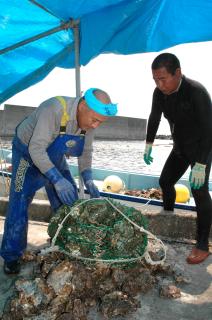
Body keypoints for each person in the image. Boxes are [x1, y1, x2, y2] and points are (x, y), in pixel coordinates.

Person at [1, 88, 118, 274]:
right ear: (83, 106)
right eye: (95, 120)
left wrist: (88, 178)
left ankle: (64, 241)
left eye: (100, 122)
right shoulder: (54, 109)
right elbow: (36, 149)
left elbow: (86, 151)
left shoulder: (89, 123)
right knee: (19, 202)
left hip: (54, 156)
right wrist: (55, 178)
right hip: (27, 154)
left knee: (69, 201)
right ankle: (12, 255)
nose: (96, 126)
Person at [143, 53, 212, 264]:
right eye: (155, 79)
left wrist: (200, 164)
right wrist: (149, 143)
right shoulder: (159, 93)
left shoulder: (196, 92)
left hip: (202, 147)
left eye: (163, 78)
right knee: (165, 181)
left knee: (199, 189)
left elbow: (209, 130)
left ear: (178, 73)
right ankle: (169, 216)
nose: (159, 84)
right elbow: (154, 117)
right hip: (180, 148)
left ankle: (202, 244)